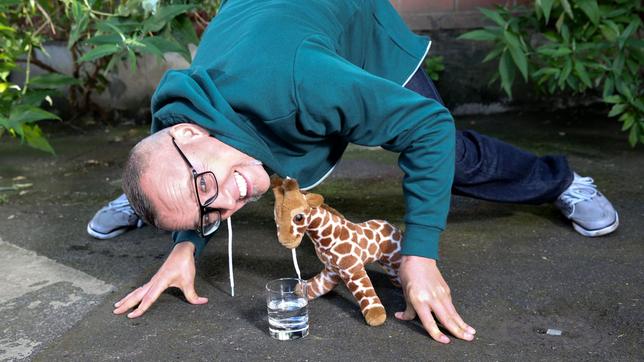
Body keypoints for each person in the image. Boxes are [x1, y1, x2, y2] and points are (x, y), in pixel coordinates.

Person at [103, 0, 618, 344]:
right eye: (208, 210)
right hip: (263, 20)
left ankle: (561, 181)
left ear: (191, 137)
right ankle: (151, 200)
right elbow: (206, 182)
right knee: (187, 186)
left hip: (350, 26)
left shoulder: (300, 82)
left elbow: (428, 128)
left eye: (204, 190)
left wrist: (419, 253)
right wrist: (186, 243)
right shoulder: (173, 121)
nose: (230, 206)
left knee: (448, 157)